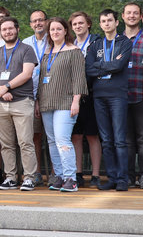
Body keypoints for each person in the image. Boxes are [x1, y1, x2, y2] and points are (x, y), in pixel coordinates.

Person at [37, 17, 87, 193]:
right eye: (52, 30)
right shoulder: (46, 52)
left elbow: (79, 79)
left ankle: (71, 178)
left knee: (62, 140)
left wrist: (76, 101)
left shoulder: (74, 51)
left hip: (66, 103)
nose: (55, 32)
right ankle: (59, 176)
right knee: (51, 141)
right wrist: (37, 102)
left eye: (59, 29)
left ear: (66, 31)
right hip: (46, 102)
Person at [0, 17, 38, 191]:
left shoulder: (26, 49)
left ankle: (29, 178)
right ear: (0, 32)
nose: (7, 32)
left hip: (22, 102)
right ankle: (11, 177)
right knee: (6, 144)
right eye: (4, 29)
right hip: (0, 104)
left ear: (17, 29)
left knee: (25, 142)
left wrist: (6, 87)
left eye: (10, 28)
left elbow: (27, 73)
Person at [85, 9, 132, 191]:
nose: (107, 23)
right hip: (99, 96)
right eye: (103, 21)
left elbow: (120, 65)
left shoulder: (124, 43)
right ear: (100, 23)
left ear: (116, 22)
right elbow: (88, 69)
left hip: (117, 96)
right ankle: (111, 177)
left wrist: (101, 66)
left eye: (109, 20)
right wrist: (108, 67)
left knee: (119, 139)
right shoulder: (96, 44)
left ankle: (122, 179)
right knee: (106, 139)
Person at [68, 11, 102, 188]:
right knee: (75, 136)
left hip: (91, 94)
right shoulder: (69, 45)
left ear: (88, 24)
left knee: (92, 135)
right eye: (74, 24)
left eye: (81, 23)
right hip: (72, 96)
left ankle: (95, 175)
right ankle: (78, 172)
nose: (78, 26)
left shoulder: (96, 43)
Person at [123, 3, 143, 188]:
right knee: (126, 140)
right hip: (122, 98)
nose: (132, 16)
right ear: (123, 16)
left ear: (140, 17)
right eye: (128, 13)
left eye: (135, 13)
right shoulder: (117, 40)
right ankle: (128, 176)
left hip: (142, 95)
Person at [22, 10, 48, 187]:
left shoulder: (53, 39)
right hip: (31, 93)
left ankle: (56, 173)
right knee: (35, 136)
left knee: (55, 136)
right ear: (30, 24)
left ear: (46, 22)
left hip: (51, 92)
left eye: (41, 20)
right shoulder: (25, 43)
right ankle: (37, 172)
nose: (38, 23)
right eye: (34, 21)